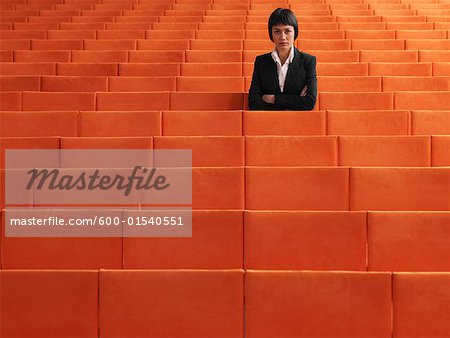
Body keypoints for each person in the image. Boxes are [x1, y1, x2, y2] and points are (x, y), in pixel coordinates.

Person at [248, 8, 317, 111]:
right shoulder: (261, 62)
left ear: (295, 32)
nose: (283, 37)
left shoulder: (308, 61)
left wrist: (273, 99)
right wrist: (295, 101)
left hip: (298, 122)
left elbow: (309, 102)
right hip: (268, 122)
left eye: (287, 31)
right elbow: (253, 102)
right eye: (277, 32)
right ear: (271, 34)